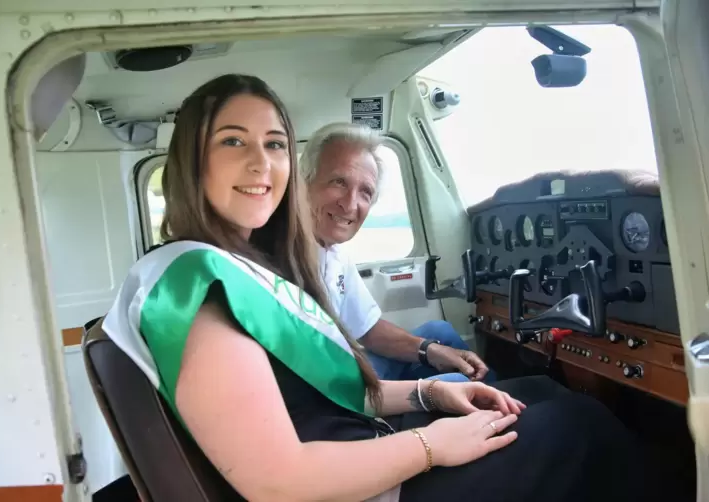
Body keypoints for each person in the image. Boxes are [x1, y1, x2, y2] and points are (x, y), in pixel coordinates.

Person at [101, 73, 658, 502]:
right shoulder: (199, 286)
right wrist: (429, 445)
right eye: (232, 141)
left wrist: (430, 393)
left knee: (537, 393)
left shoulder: (233, 265)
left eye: (274, 144)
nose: (260, 163)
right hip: (356, 486)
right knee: (580, 425)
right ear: (191, 161)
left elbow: (316, 397)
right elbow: (277, 482)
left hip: (350, 447)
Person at [300, 122, 495, 383]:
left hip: (344, 370)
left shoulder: (333, 252)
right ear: (303, 184)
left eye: (365, 192)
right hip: (329, 391)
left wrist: (429, 350)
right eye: (338, 182)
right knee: (459, 385)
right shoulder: (284, 256)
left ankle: (499, 402)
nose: (349, 204)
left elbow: (368, 329)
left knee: (439, 333)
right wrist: (425, 393)